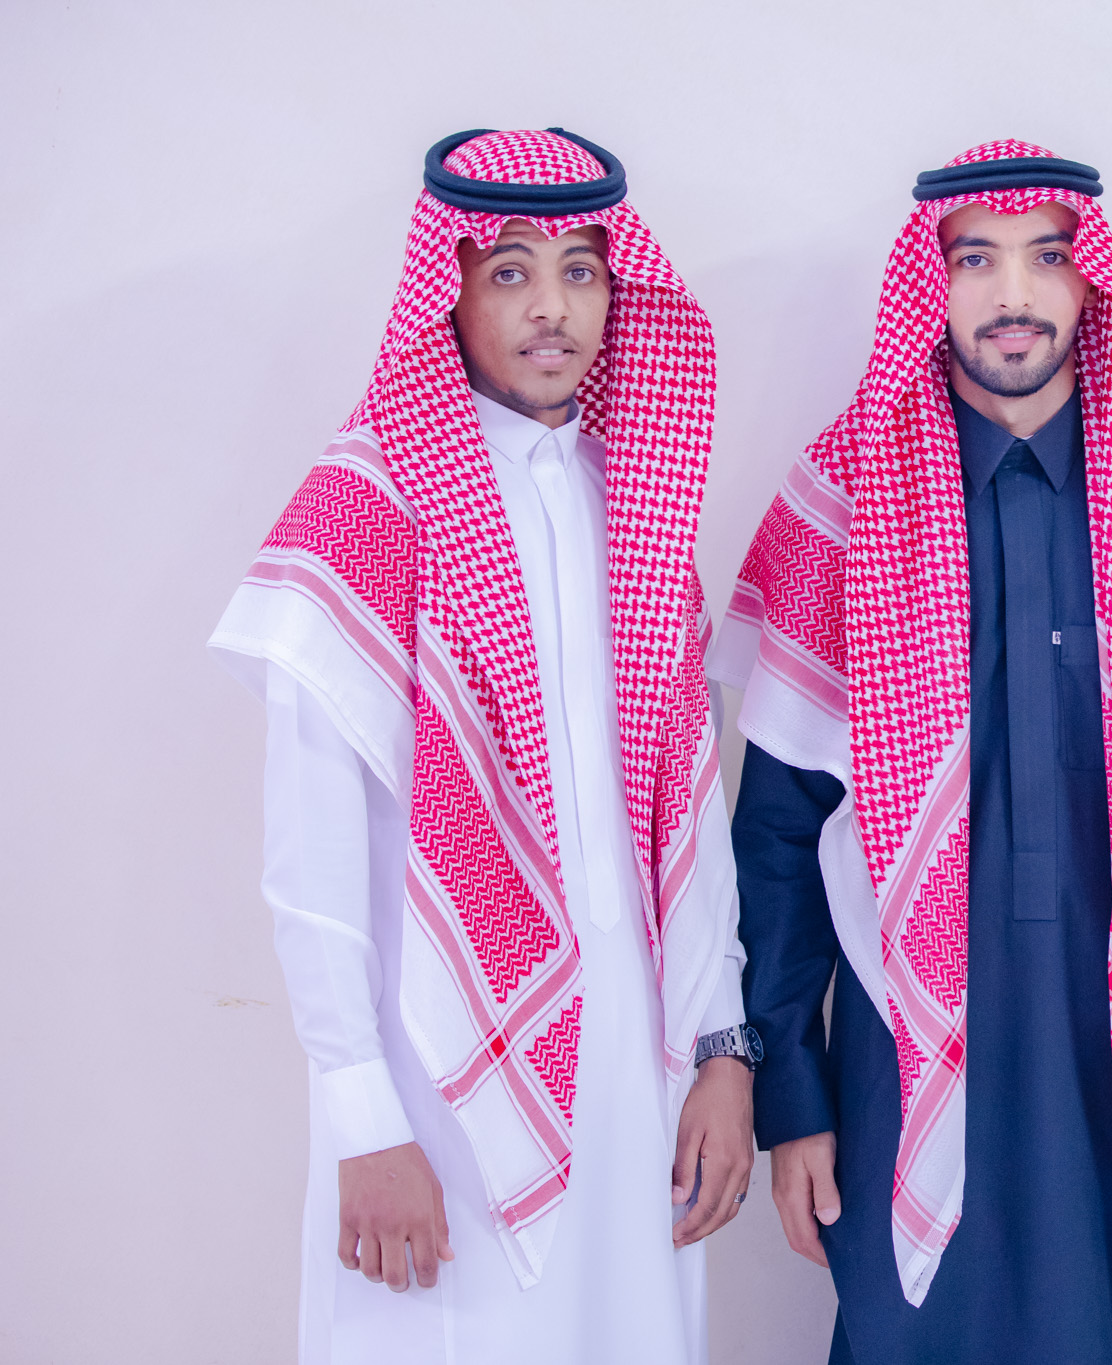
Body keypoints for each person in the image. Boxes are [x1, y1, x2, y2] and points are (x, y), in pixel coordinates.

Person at [710, 141, 1112, 1364]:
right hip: (905, 1069)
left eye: (1046, 257)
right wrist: (793, 1098)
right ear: (927, 283)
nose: (1012, 294)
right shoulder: (846, 503)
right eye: (974, 260)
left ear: (1089, 278)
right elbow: (776, 836)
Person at [209, 127, 753, 1364]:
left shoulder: (635, 500)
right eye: (509, 271)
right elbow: (312, 856)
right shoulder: (363, 515)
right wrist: (363, 1115)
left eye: (580, 270)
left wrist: (722, 1052)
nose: (551, 307)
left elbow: (688, 812)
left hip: (638, 1064)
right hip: (435, 1083)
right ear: (446, 291)